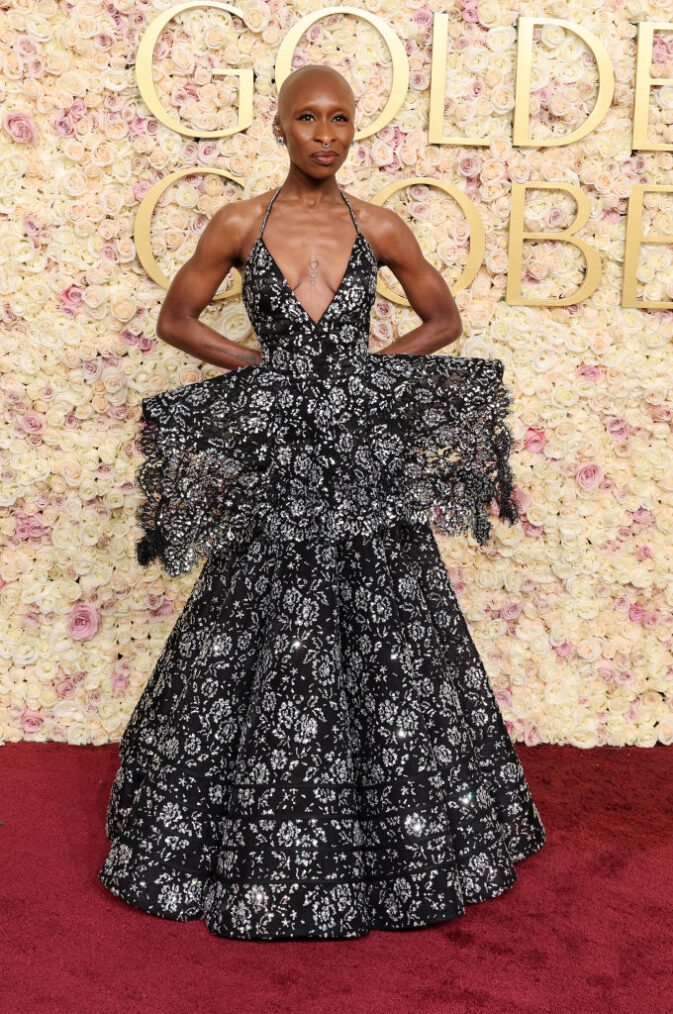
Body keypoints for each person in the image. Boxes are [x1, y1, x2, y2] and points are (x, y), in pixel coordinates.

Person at [98, 64, 546, 940]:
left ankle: (398, 831)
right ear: (279, 128)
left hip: (356, 461)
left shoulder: (380, 224)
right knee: (251, 613)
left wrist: (370, 378)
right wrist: (262, 371)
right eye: (308, 117)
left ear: (353, 131)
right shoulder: (238, 223)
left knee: (390, 627)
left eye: (341, 119)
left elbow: (443, 320)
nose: (326, 134)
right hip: (279, 461)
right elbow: (177, 319)